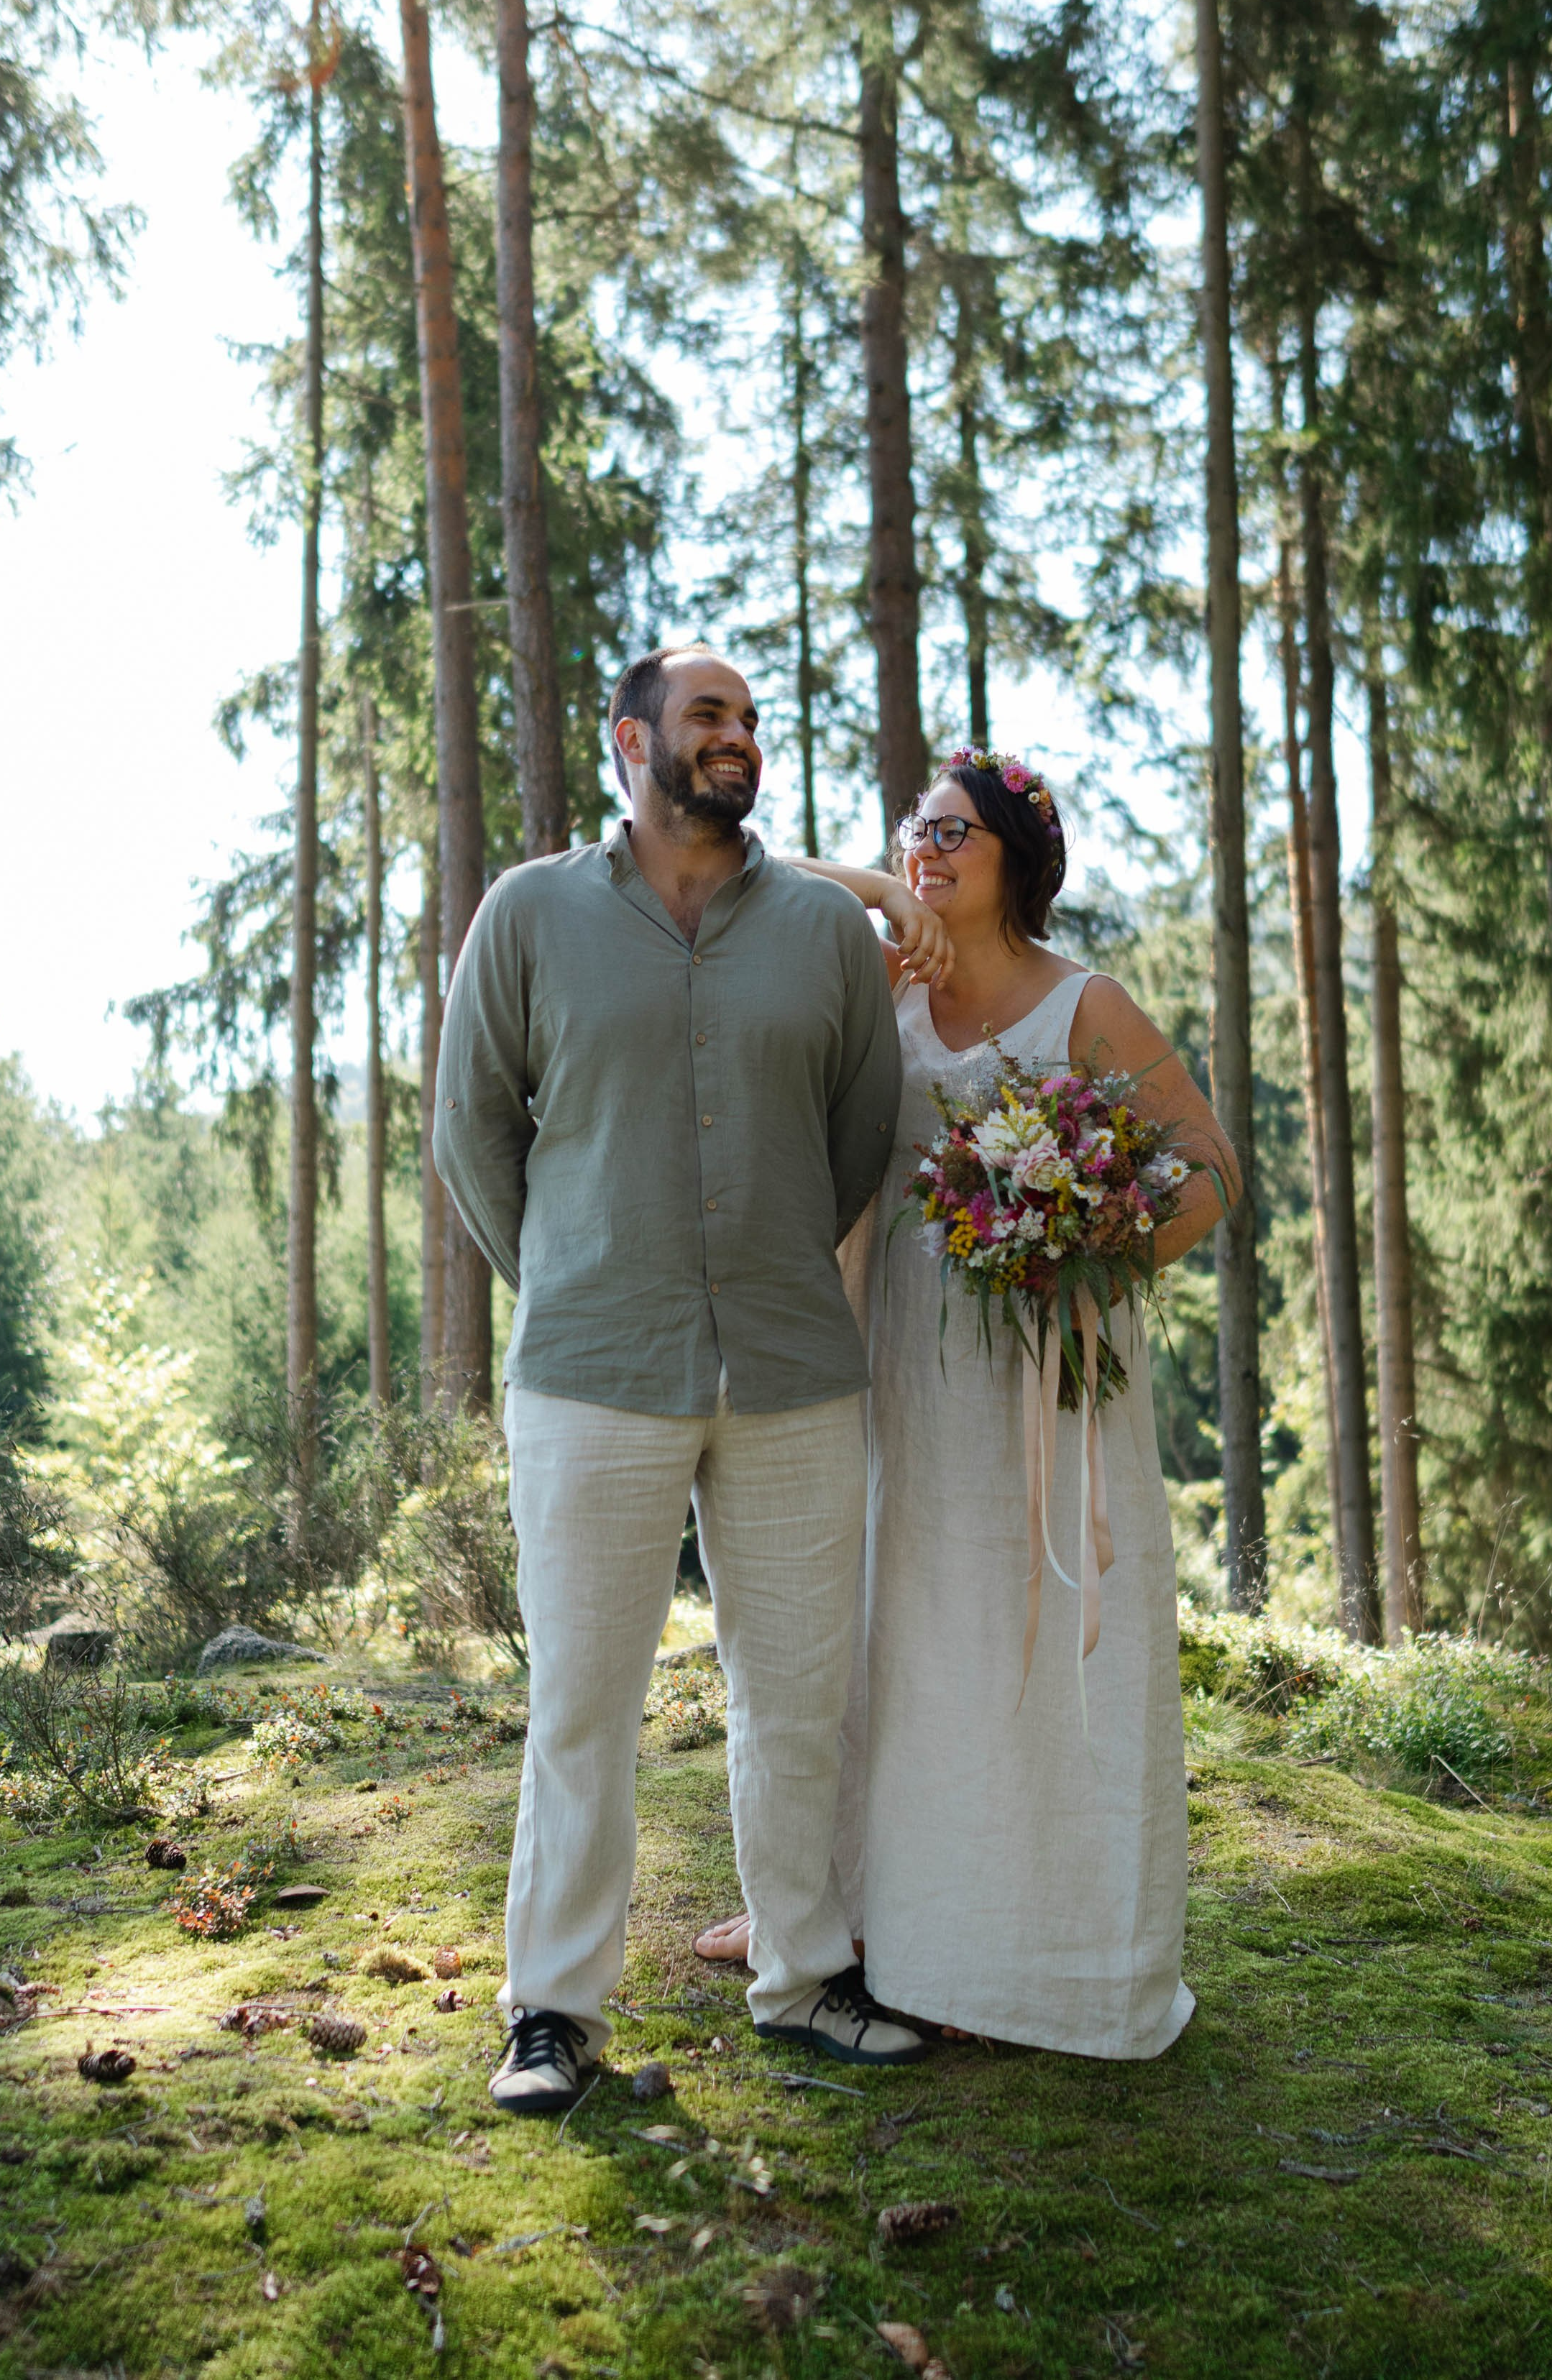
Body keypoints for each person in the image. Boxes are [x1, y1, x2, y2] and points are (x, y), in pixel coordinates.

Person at [433, 645, 950, 2113]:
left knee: (794, 1696)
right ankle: (552, 2011)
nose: (739, 737)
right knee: (582, 1706)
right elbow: (473, 1126)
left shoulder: (823, 935)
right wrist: (580, 1273)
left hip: (793, 1366)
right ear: (630, 742)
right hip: (592, 1373)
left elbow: (859, 1139)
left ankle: (803, 1978)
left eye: (750, 719)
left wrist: (777, 1259)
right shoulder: (529, 914)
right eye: (708, 714)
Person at [694, 746, 1235, 2057]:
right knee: (895, 1630)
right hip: (901, 1375)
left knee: (1039, 1630)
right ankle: (855, 1914)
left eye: (951, 835)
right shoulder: (880, 998)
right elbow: (765, 884)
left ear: (1017, 859)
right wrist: (883, 888)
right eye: (911, 832)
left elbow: (1207, 1173)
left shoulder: (1082, 1006)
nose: (925, 852)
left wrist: (1085, 1238)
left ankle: (1051, 1938)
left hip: (1051, 1380)